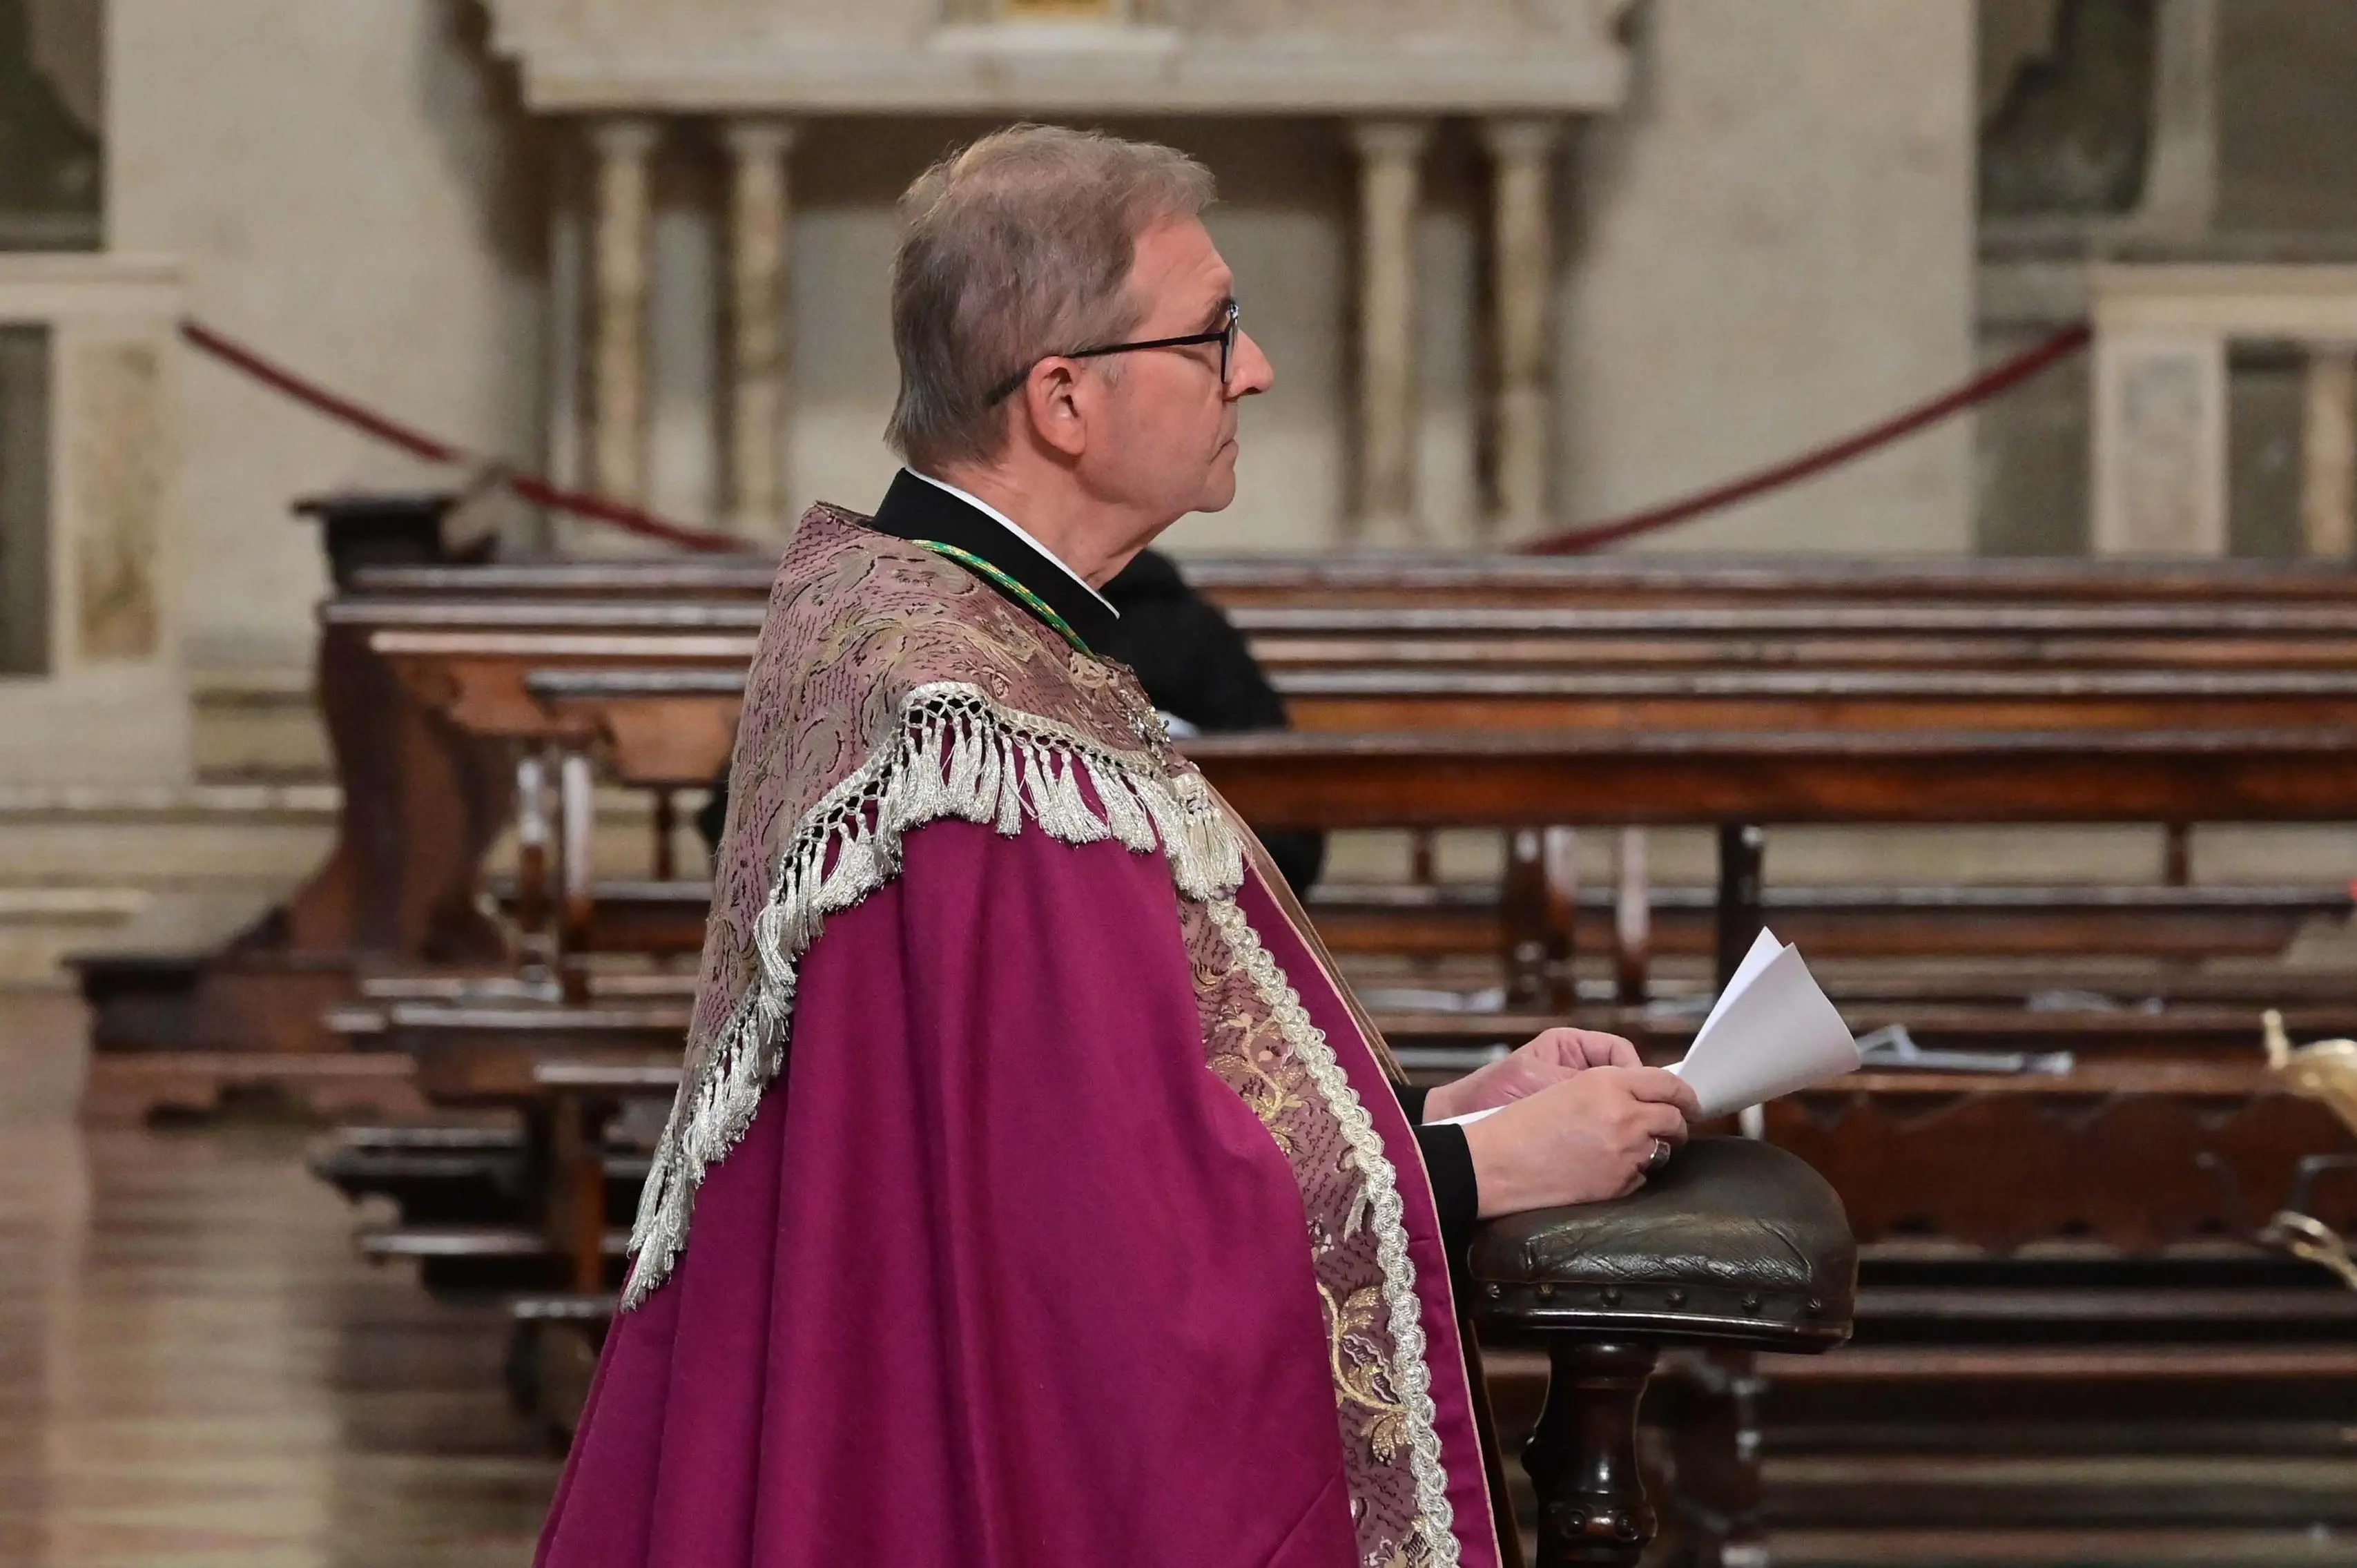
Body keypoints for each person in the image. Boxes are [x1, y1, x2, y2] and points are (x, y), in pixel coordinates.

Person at [536, 124, 1700, 1568]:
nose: (1256, 369)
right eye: (1214, 332)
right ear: (1066, 397)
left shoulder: (930, 623)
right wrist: (1482, 1174)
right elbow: (1109, 1242)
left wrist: (1440, 1118)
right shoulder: (974, 724)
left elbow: (1104, 1114)